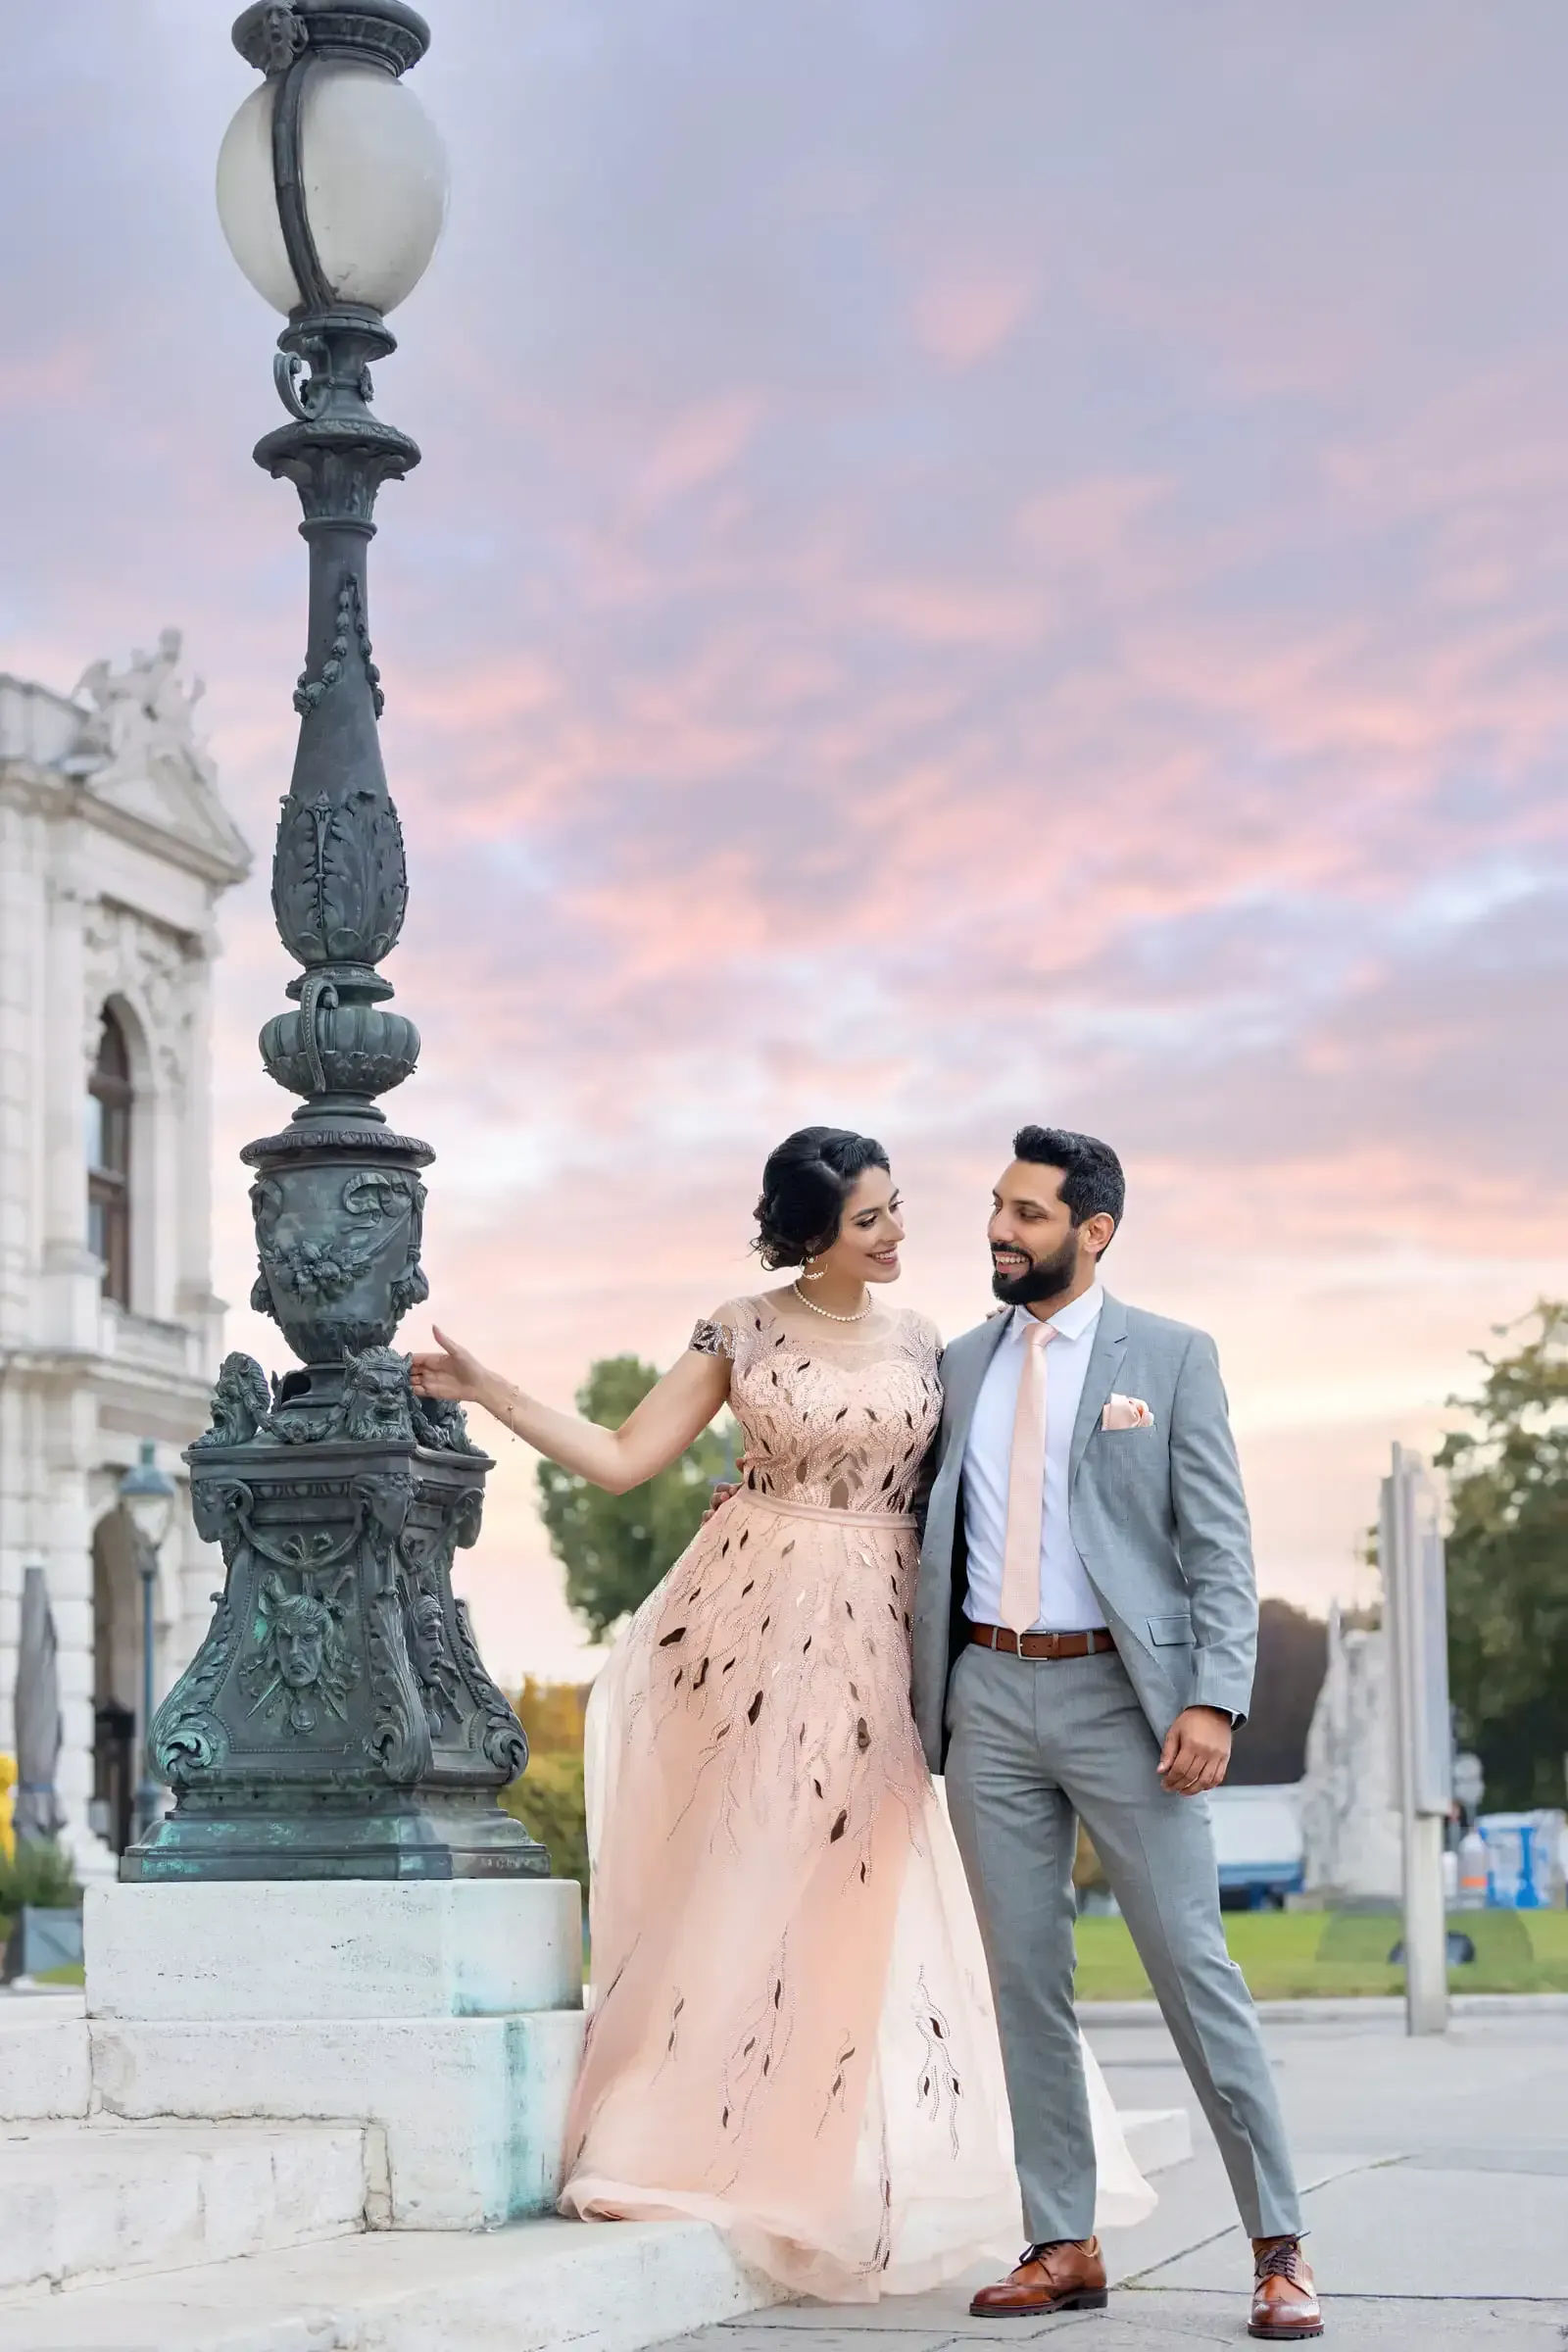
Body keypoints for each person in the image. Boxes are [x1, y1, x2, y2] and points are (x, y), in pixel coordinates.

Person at [410, 1126, 1152, 2302]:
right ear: (814, 1235)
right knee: (746, 1875)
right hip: (749, 1631)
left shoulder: (931, 1344)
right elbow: (619, 1458)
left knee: (867, 1898)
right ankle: (696, 2138)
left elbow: (988, 1492)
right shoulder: (739, 1328)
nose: (901, 1231)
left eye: (898, 1208)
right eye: (872, 1220)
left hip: (882, 1646)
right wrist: (484, 1385)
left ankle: (851, 2160)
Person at [910, 1125, 1324, 2341]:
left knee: (1195, 1974)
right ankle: (1062, 2239)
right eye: (997, 1207)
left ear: (1092, 1232)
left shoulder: (1175, 1359)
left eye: (1028, 1214)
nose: (1000, 1229)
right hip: (985, 1697)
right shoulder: (956, 1365)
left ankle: (1280, 2246)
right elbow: (906, 1514)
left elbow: (1217, 1545)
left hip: (1127, 1705)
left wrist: (1213, 1697)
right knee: (1023, 1981)